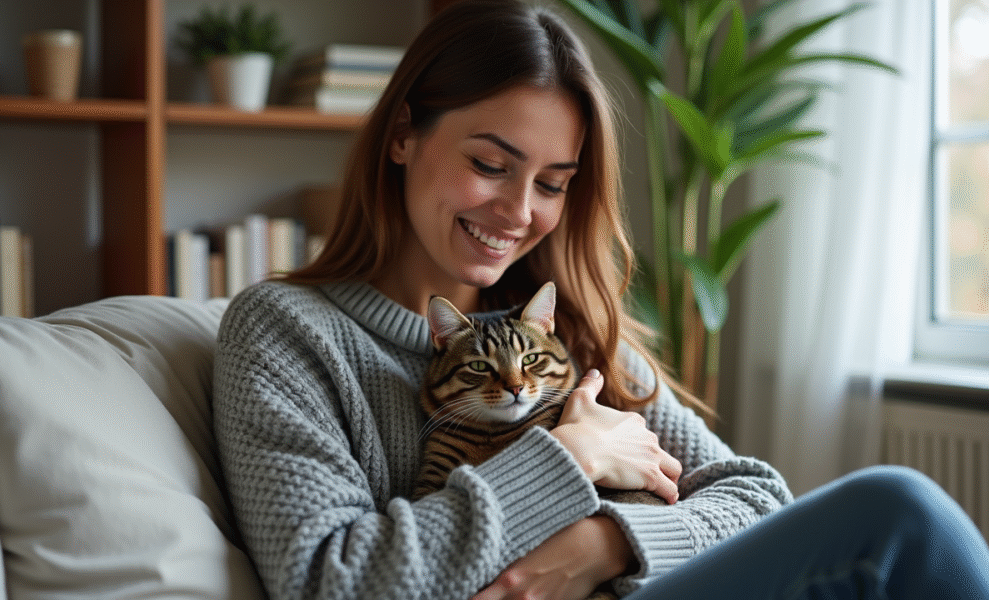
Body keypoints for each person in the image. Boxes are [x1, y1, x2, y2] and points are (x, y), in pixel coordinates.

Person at [212, 1, 989, 599]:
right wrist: (569, 455)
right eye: (491, 163)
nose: (520, 213)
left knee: (900, 519)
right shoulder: (287, 331)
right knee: (899, 518)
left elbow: (755, 496)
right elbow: (331, 580)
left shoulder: (567, 338)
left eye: (552, 183)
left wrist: (597, 548)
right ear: (403, 136)